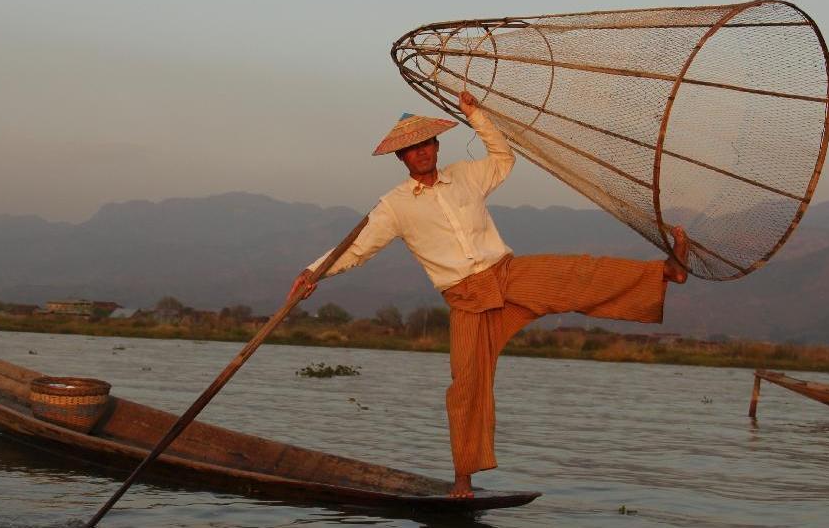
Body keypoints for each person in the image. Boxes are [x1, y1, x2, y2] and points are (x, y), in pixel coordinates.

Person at [287, 91, 689, 498]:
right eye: (412, 149)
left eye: (426, 144)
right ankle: (464, 477)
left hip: (506, 273)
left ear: (436, 146)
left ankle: (665, 273)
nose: (422, 153)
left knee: (575, 273)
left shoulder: (464, 174)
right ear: (402, 158)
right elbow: (357, 248)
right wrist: (312, 271)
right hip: (466, 300)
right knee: (467, 385)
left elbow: (503, 159)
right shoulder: (393, 207)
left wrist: (476, 116)